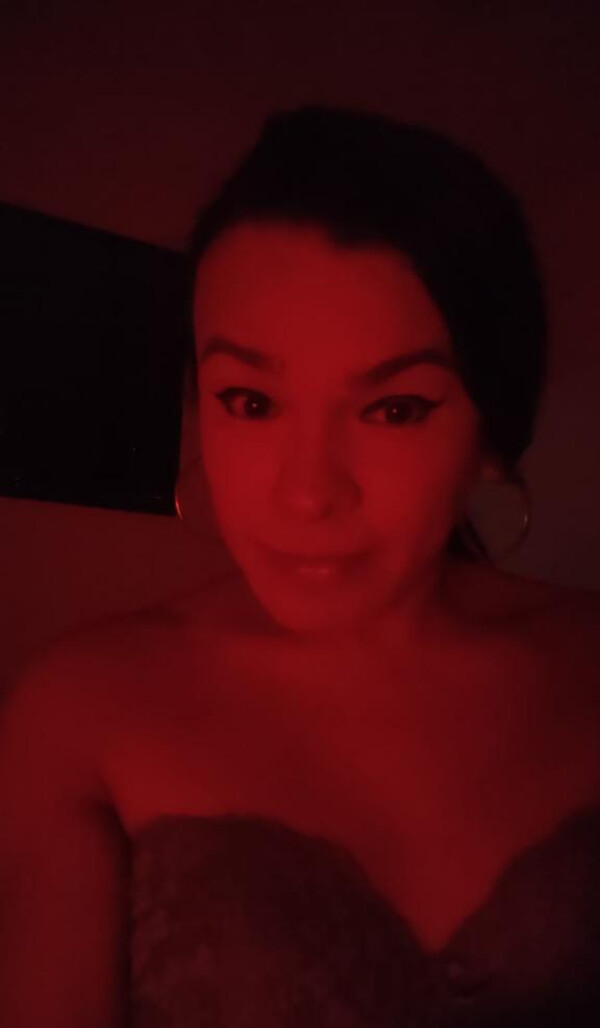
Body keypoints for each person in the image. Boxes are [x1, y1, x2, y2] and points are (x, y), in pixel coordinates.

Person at [1, 103, 600, 1027]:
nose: (308, 495)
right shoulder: (78, 710)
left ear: (494, 432)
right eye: (250, 401)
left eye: (395, 409)